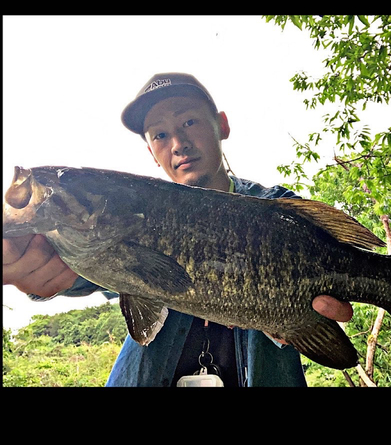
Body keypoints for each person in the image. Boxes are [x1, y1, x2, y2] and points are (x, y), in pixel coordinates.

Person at [3, 73, 353, 387]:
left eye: (189, 122)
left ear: (222, 125)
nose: (178, 143)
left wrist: (306, 318)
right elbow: (84, 272)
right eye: (160, 134)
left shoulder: (278, 208)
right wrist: (38, 269)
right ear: (152, 153)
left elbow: (338, 270)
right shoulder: (130, 215)